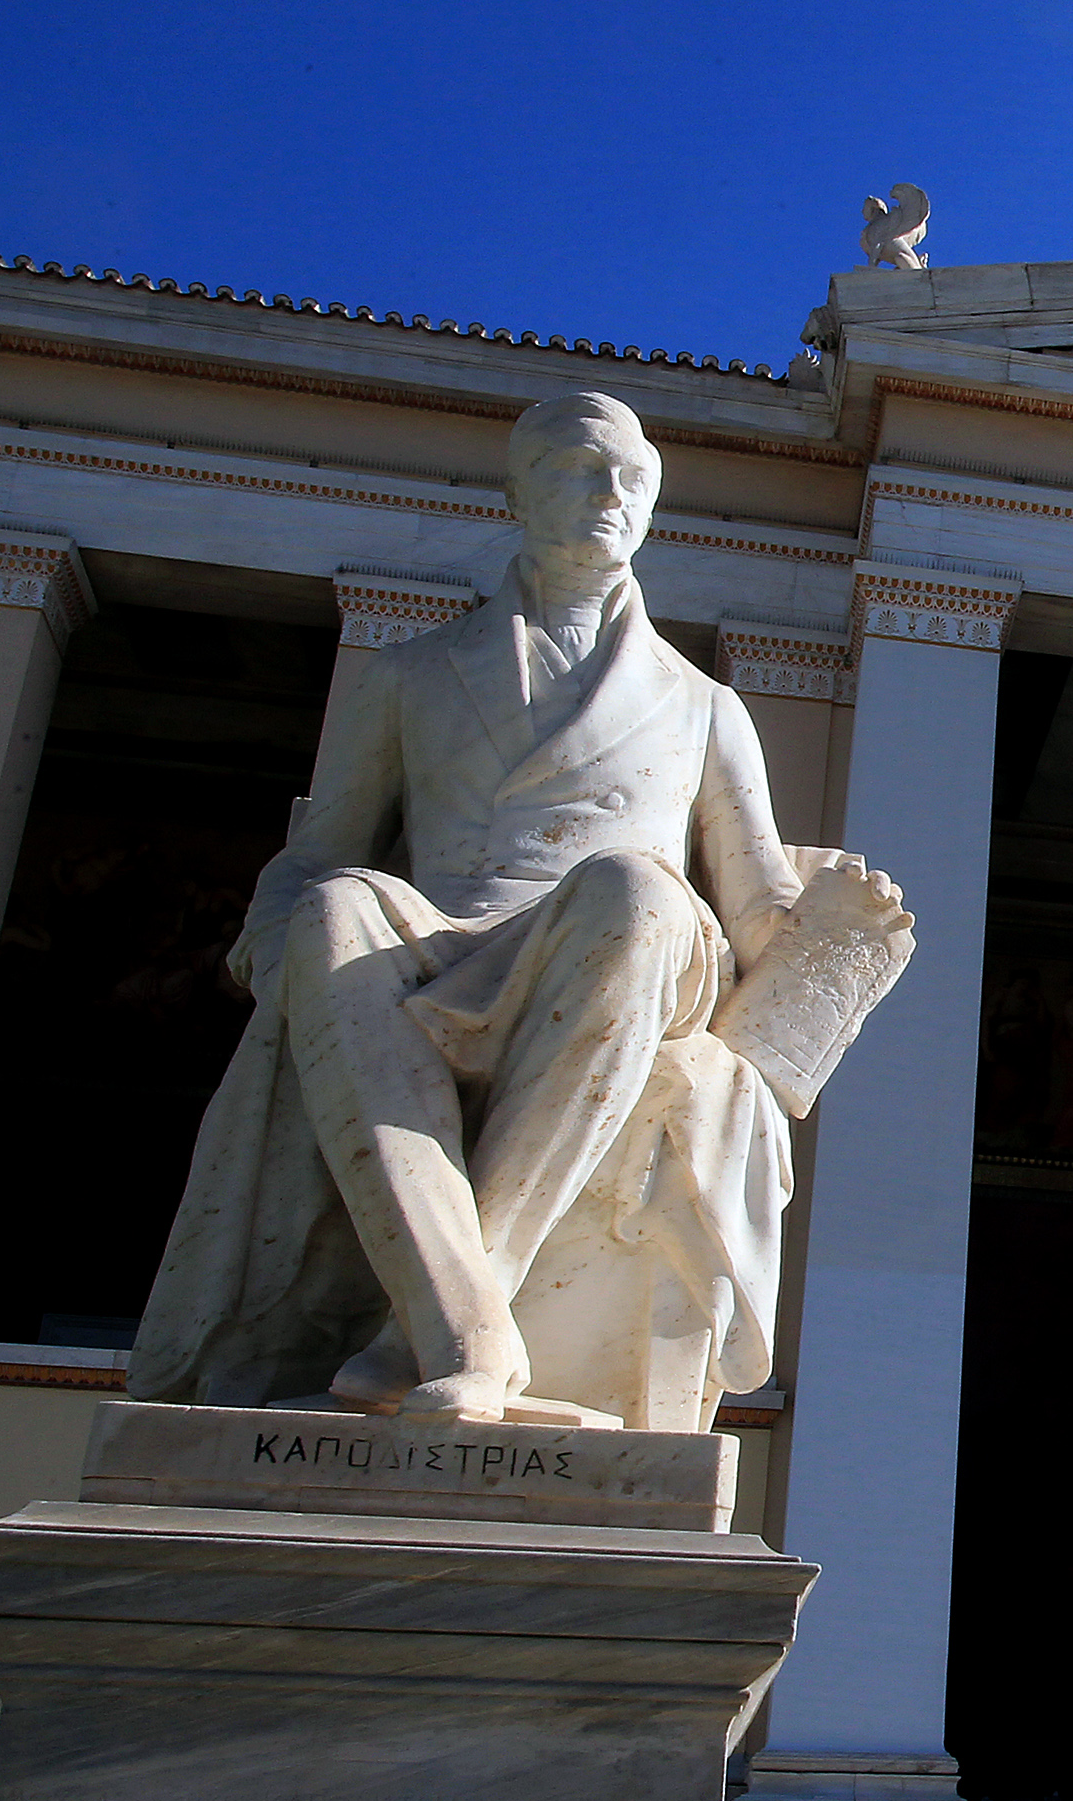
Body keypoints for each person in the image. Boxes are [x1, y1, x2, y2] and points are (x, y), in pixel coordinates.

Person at [129, 390, 907, 1426]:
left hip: (619, 950)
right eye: (581, 469)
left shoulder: (702, 704)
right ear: (519, 490)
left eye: (632, 481)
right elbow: (315, 855)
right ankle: (463, 1322)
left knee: (639, 889)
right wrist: (274, 950)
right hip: (441, 945)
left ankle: (454, 1319)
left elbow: (755, 897)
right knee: (331, 909)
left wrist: (838, 929)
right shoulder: (409, 675)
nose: (609, 496)